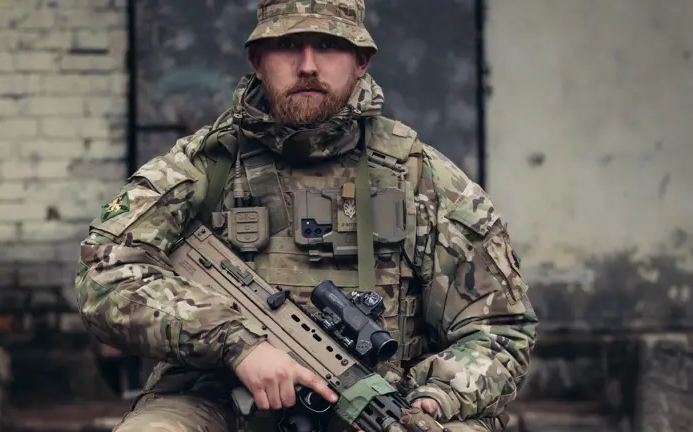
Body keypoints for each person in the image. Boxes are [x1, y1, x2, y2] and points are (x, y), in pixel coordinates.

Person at [74, 0, 539, 431]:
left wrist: (437, 397)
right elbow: (104, 274)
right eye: (289, 45)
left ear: (362, 62)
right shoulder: (204, 166)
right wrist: (236, 343)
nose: (309, 65)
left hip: (382, 403)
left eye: (331, 46)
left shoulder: (424, 180)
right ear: (257, 60)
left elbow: (500, 330)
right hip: (216, 398)